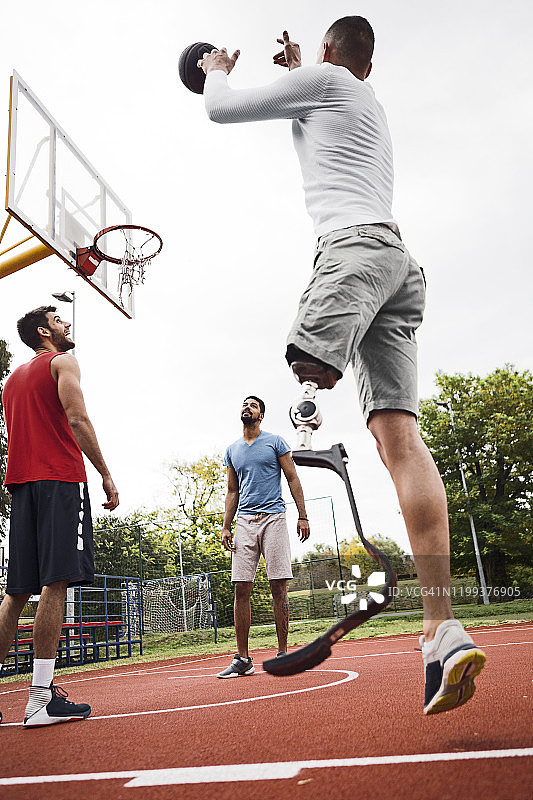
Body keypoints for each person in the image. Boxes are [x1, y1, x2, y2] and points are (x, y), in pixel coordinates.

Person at [199, 17, 486, 713]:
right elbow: (312, 116)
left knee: (308, 367)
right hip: (396, 262)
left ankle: (302, 429)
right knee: (398, 439)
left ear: (329, 54)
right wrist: (302, 64)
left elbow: (220, 107)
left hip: (352, 251)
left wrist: (212, 65)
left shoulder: (324, 83)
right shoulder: (361, 100)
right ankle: (439, 630)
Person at [0, 306, 118, 726]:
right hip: (59, 481)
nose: (66, 323)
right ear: (43, 331)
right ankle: (39, 700)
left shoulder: (12, 381)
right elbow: (77, 417)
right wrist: (105, 473)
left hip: (22, 486)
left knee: (16, 592)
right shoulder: (62, 361)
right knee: (56, 581)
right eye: (58, 319)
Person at [217, 395, 310, 678]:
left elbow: (293, 477)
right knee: (241, 588)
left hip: (274, 518)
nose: (247, 407)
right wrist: (225, 526)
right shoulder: (232, 450)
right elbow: (232, 491)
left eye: (253, 405)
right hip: (244, 521)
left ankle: (283, 653)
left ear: (261, 415)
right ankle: (243, 659)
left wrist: (302, 515)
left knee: (277, 586)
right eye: (244, 404)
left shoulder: (275, 442)